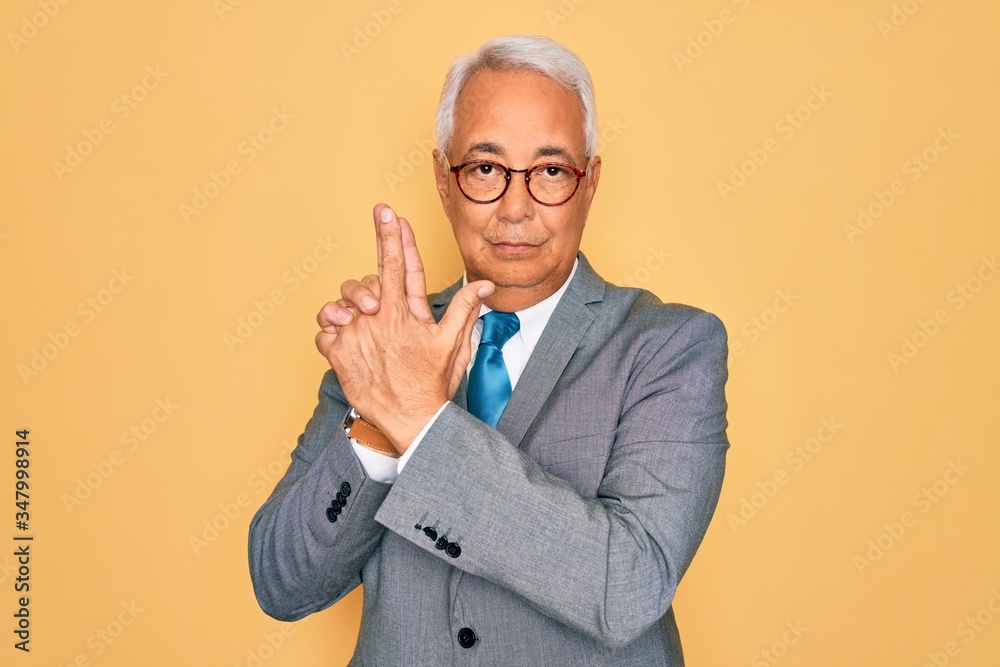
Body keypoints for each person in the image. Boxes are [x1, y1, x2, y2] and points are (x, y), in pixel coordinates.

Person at [248, 35, 729, 666]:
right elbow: (282, 583)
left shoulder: (669, 345)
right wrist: (377, 425)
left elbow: (627, 587)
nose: (515, 208)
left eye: (551, 171)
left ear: (590, 185)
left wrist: (418, 418)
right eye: (485, 169)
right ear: (443, 183)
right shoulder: (389, 346)